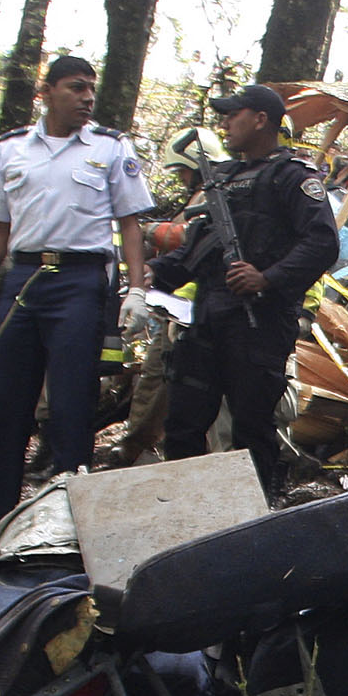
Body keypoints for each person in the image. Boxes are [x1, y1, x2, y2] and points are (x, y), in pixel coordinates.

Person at [0, 53, 152, 532]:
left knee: (71, 404)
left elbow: (130, 224)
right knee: (3, 404)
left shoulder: (111, 148)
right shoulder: (9, 151)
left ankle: (69, 530)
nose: (87, 97)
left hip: (81, 280)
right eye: (75, 87)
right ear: (45, 92)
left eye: (91, 88)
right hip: (24, 278)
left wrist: (135, 290)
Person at [157, 84, 339, 498]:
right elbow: (198, 247)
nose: (225, 123)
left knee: (251, 428)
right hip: (208, 318)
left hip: (259, 324)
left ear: (260, 119)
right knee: (183, 423)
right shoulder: (224, 179)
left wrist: (268, 278)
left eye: (233, 114)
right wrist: (151, 276)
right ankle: (180, 510)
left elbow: (323, 243)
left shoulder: (293, 176)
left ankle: (255, 512)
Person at [109, 124, 224, 467]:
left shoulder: (214, 195)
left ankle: (136, 448)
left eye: (183, 171)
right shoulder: (206, 193)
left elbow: (189, 239)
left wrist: (148, 231)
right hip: (178, 305)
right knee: (159, 378)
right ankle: (140, 447)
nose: (182, 178)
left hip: (191, 309)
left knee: (163, 379)